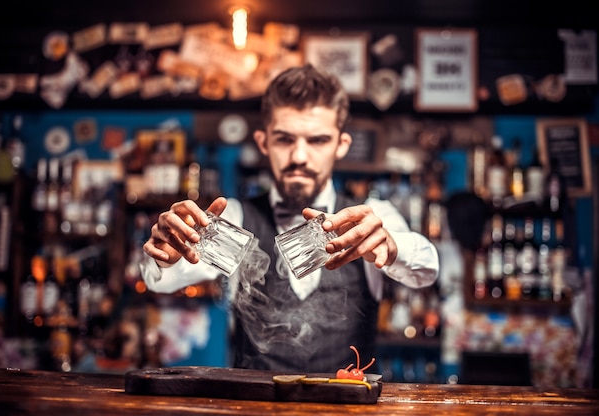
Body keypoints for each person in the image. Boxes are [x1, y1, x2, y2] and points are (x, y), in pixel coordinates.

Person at [140, 64, 439, 373]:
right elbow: (160, 281)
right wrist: (166, 255)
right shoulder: (236, 218)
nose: (299, 156)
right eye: (284, 139)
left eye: (318, 140)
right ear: (263, 142)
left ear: (341, 145)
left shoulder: (373, 217)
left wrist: (392, 247)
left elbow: (427, 269)